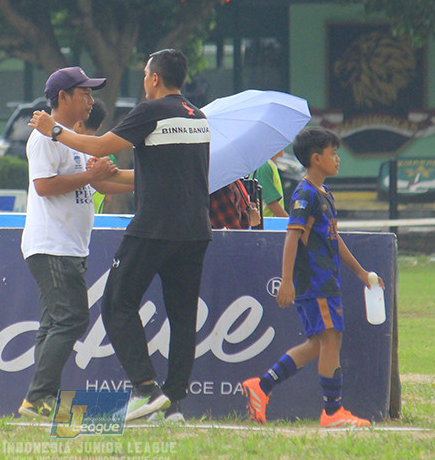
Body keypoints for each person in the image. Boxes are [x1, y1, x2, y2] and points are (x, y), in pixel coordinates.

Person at [29, 49, 211, 423]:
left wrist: (56, 130)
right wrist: (102, 176)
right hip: (195, 231)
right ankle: (172, 404)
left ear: (155, 78)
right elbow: (152, 176)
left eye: (146, 74)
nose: (144, 80)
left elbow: (99, 146)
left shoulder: (150, 112)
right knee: (182, 318)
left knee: (115, 304)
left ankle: (146, 389)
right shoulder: (199, 116)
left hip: (154, 228)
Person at [242, 126, 378, 428]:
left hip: (327, 281)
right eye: (333, 153)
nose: (338, 159)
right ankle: (332, 413)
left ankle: (261, 387)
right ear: (316, 159)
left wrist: (360, 272)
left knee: (320, 344)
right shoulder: (305, 194)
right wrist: (286, 280)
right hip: (314, 283)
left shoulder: (324, 193)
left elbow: (333, 237)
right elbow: (293, 236)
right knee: (331, 340)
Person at [17, 67, 126, 418]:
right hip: (53, 246)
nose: (91, 101)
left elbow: (97, 185)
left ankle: (41, 399)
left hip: (66, 247)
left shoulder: (69, 138)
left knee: (54, 323)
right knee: (74, 319)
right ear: (62, 97)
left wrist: (122, 178)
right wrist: (89, 175)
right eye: (84, 94)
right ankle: (37, 397)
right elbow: (44, 186)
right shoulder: (43, 138)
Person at [253, 150, 289, 218]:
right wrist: (288, 222)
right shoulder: (263, 167)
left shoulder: (270, 165)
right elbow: (272, 203)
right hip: (265, 223)